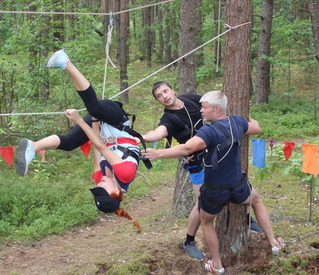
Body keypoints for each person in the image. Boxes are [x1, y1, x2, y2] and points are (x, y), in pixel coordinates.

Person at [143, 90, 284, 274]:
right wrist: (247, 115)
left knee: (207, 221)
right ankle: (274, 243)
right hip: (237, 185)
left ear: (217, 109)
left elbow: (187, 147)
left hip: (215, 191)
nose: (201, 111)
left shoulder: (208, 131)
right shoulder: (238, 122)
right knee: (256, 200)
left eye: (204, 107)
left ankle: (217, 265)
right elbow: (256, 127)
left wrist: (158, 153)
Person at [15, 49, 143, 229]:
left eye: (97, 189)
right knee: (95, 107)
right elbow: (101, 145)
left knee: (69, 143)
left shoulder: (99, 176)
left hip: (103, 127)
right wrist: (79, 120)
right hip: (117, 120)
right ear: (115, 191)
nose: (99, 184)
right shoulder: (125, 174)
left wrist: (95, 123)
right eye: (102, 189)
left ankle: (33, 147)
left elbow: (97, 149)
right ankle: (66, 62)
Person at [142, 81, 207, 260]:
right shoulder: (169, 119)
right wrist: (143, 137)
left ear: (173, 90)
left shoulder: (192, 100)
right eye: (159, 96)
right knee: (203, 202)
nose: (164, 96)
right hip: (197, 160)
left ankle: (246, 220)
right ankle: (189, 241)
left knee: (234, 186)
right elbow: (158, 132)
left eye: (165, 91)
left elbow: (211, 103)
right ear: (158, 101)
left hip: (217, 154)